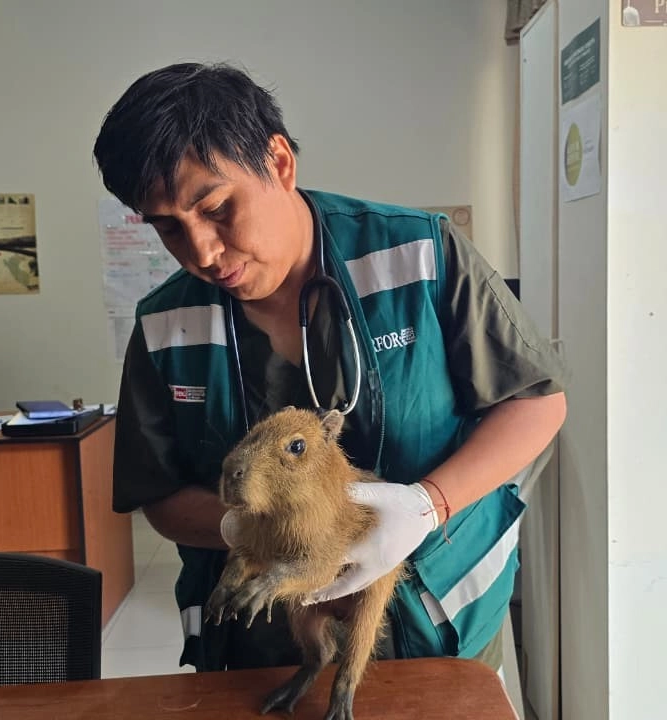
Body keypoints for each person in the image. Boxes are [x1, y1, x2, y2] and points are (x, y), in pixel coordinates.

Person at [93, 62, 569, 678]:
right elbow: (159, 496)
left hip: (443, 626)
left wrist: (427, 505)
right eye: (168, 228)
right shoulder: (167, 324)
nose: (202, 252)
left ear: (279, 162)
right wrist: (250, 531)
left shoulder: (417, 256)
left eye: (217, 208)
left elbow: (536, 401)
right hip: (267, 647)